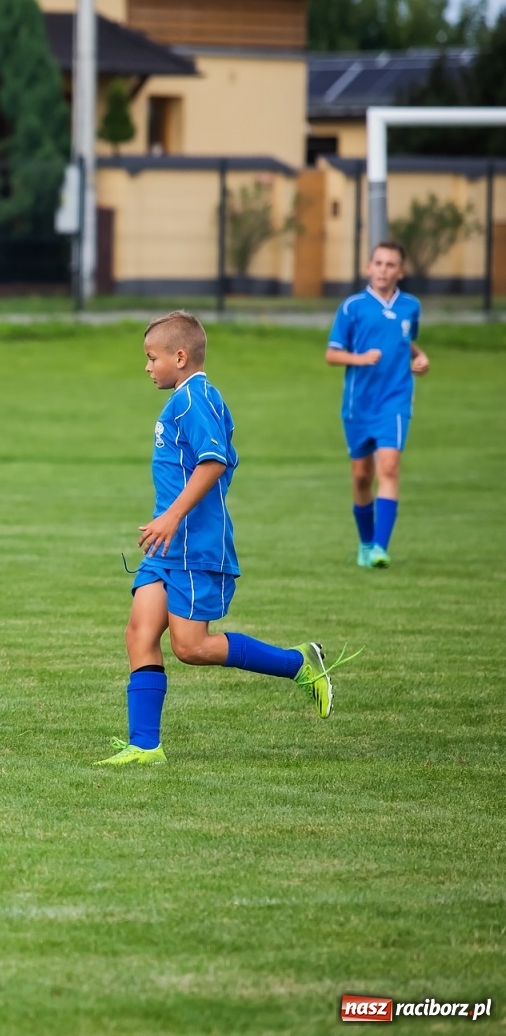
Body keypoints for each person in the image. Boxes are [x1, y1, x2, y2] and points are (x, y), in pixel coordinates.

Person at [99, 311, 351, 767]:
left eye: (152, 358)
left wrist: (172, 516)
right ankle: (144, 746)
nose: (147, 366)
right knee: (139, 632)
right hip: (167, 545)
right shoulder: (183, 399)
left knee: (191, 647)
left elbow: (213, 461)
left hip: (195, 544)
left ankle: (300, 664)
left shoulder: (197, 400)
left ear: (180, 356)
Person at [325, 241, 429, 568]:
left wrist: (419, 355)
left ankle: (380, 548)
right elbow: (332, 354)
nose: (383, 270)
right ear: (369, 267)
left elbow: (404, 338)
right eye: (378, 263)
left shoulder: (411, 306)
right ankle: (366, 543)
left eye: (390, 265)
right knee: (360, 476)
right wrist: (360, 358)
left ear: (401, 271)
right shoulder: (352, 307)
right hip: (358, 406)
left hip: (395, 401)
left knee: (389, 467)